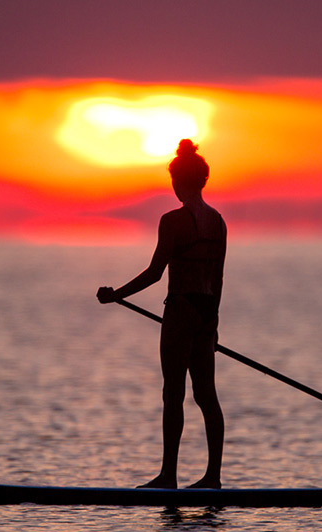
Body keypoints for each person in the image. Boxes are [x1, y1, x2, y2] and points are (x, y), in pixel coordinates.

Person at [97, 139, 227, 489]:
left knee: (174, 393)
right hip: (206, 313)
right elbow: (218, 278)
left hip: (182, 311)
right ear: (202, 180)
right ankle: (212, 478)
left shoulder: (172, 221)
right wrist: (213, 326)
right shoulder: (218, 222)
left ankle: (168, 477)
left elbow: (155, 273)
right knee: (206, 395)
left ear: (177, 181)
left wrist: (115, 295)